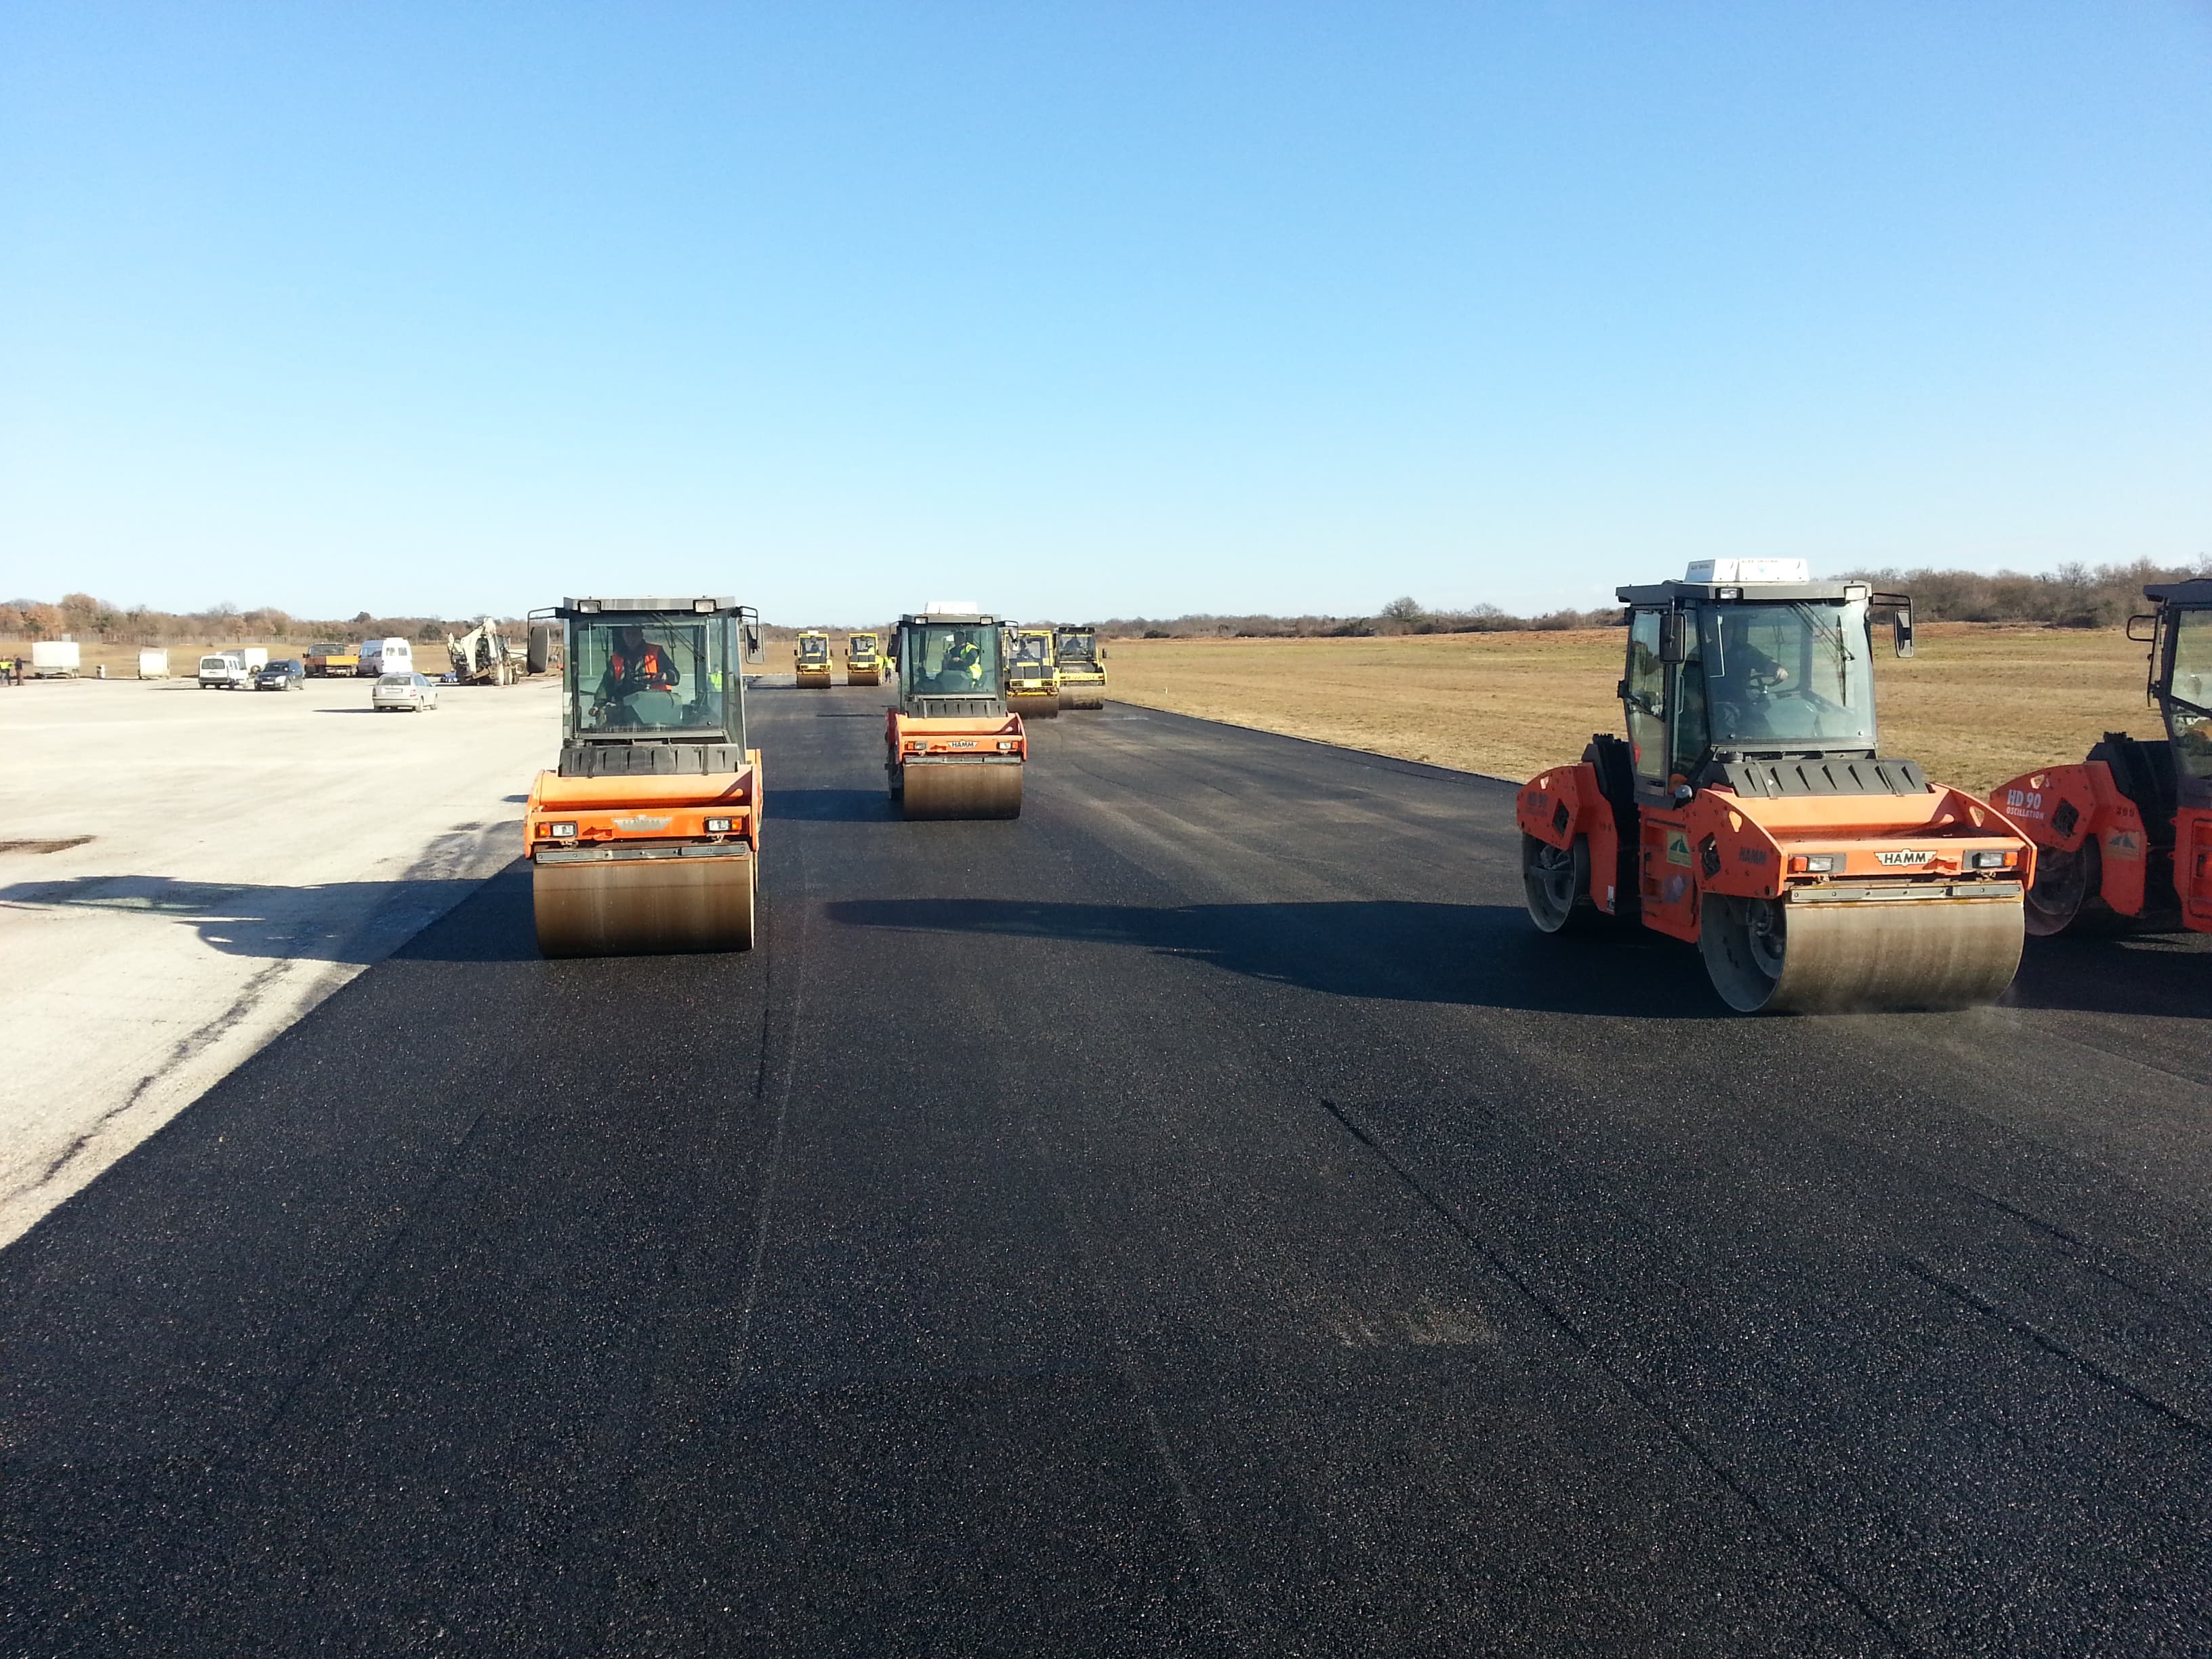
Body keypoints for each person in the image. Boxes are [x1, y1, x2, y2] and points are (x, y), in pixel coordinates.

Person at [593, 626, 680, 716]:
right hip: (625, 708)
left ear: (641, 635)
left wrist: (666, 676)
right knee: (603, 717)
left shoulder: (656, 652)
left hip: (656, 707)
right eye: (628, 634)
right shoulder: (617, 657)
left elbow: (676, 676)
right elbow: (607, 684)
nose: (631, 638)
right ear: (623, 635)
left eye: (634, 634)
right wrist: (598, 705)